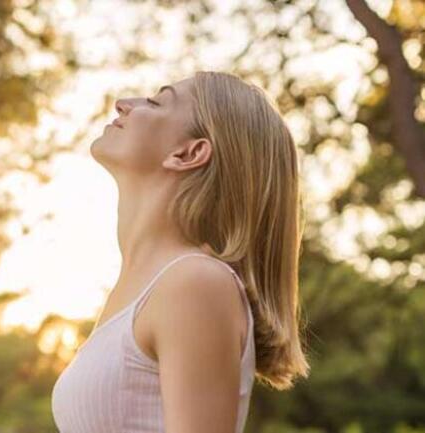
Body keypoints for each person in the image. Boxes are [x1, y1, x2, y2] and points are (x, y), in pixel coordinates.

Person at [51, 71, 310, 433]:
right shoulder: (147, 287)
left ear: (188, 153)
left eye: (157, 102)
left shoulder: (195, 283)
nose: (123, 103)